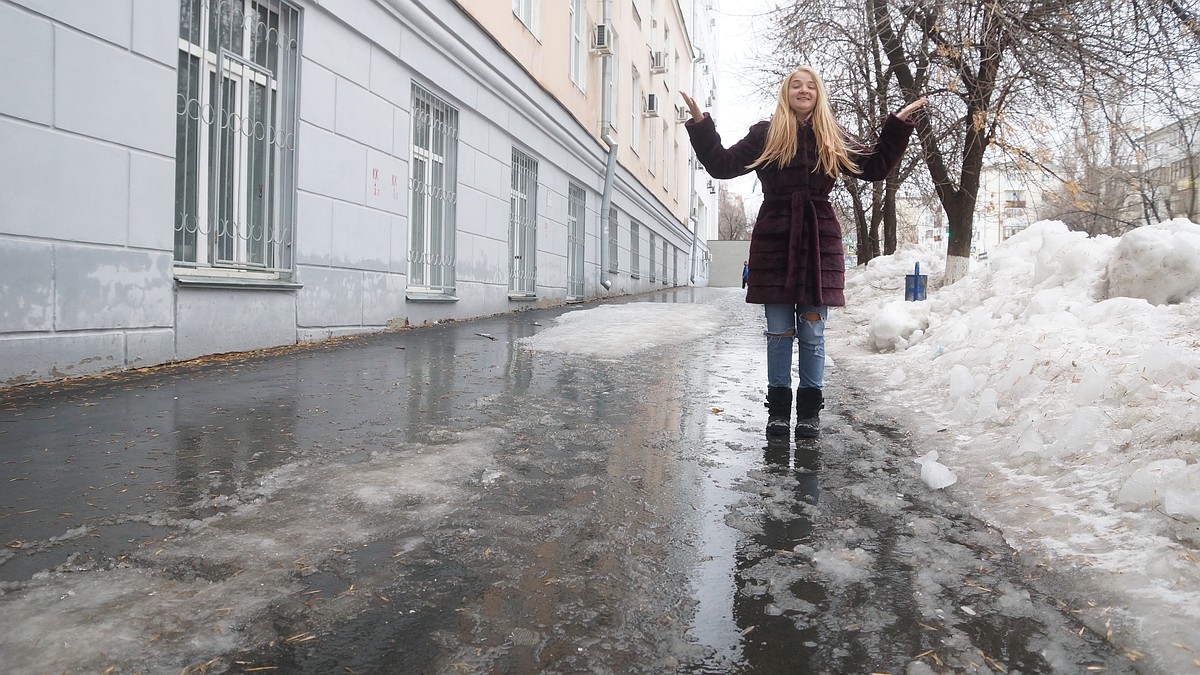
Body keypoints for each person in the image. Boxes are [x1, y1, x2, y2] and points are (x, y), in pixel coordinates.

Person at [681, 67, 926, 438]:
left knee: (812, 332)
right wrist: (701, 124)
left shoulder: (832, 134)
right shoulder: (765, 133)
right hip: (775, 239)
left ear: (819, 94)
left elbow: (874, 167)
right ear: (786, 93)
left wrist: (897, 127)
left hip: (818, 240)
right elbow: (721, 165)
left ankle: (809, 412)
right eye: (796, 84)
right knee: (779, 332)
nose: (804, 90)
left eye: (811, 85)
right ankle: (778, 411)